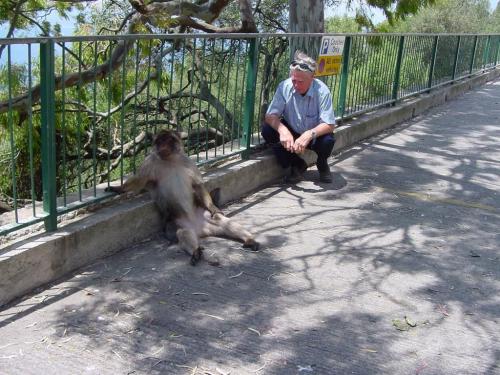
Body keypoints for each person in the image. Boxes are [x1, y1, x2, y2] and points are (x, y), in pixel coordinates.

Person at [262, 50, 336, 183]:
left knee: (328, 141)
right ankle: (296, 164)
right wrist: (282, 130)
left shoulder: (322, 91)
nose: (296, 85)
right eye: (294, 80)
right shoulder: (285, 86)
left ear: (312, 78)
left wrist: (309, 134)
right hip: (292, 131)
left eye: (300, 81)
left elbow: (329, 124)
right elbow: (270, 115)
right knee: (267, 130)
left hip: (314, 135)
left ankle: (322, 163)